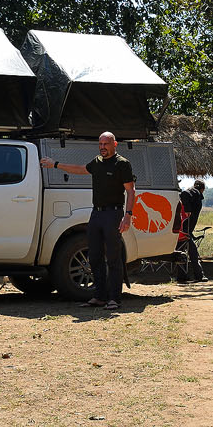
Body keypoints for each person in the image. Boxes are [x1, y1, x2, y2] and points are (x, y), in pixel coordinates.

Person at [39, 132, 136, 310]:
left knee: (114, 258)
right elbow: (81, 169)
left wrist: (127, 216)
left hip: (113, 214)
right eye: (100, 144)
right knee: (94, 256)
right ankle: (99, 296)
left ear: (115, 144)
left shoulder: (122, 164)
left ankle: (115, 298)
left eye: (106, 144)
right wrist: (56, 165)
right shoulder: (97, 162)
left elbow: (131, 191)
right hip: (96, 214)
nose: (102, 147)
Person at [175, 179, 209, 282]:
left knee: (181, 252)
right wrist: (187, 210)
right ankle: (199, 275)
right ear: (202, 189)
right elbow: (184, 194)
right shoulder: (195, 192)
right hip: (184, 230)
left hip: (182, 229)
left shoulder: (195, 194)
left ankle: (182, 276)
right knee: (193, 252)